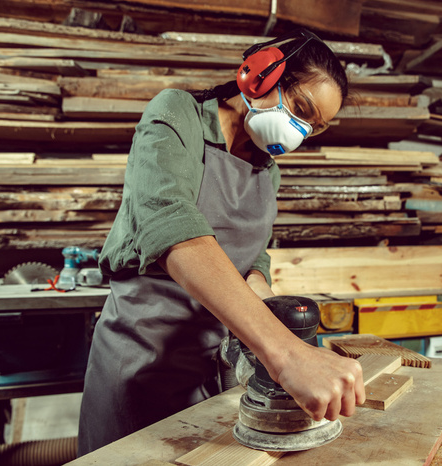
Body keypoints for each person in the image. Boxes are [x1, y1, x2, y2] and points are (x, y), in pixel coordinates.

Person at [77, 28, 365, 456]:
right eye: (301, 109)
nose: (300, 132)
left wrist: (266, 301)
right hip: (144, 358)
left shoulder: (268, 169)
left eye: (313, 126)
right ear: (261, 75)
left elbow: (252, 257)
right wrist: (286, 354)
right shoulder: (178, 113)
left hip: (218, 366)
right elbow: (172, 228)